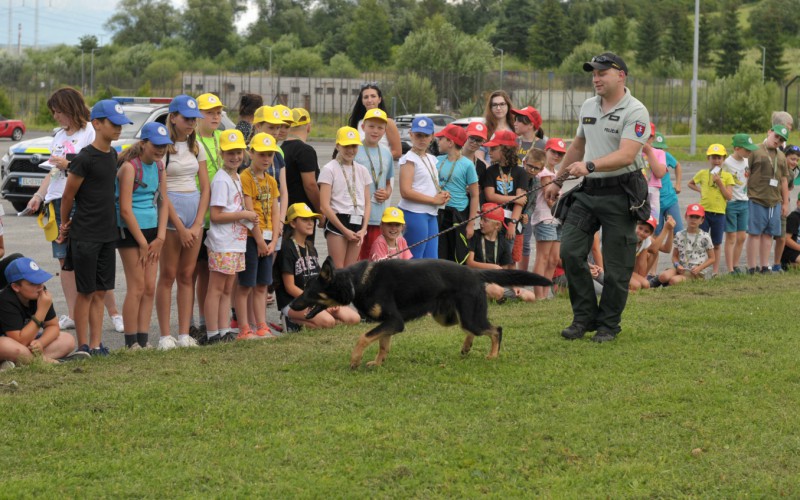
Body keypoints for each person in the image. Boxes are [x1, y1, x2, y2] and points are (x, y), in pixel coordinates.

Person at [544, 52, 650, 343]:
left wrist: (591, 165)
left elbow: (628, 154)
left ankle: (608, 325)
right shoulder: (589, 105)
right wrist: (559, 179)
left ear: (621, 76)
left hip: (621, 192)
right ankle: (584, 317)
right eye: (593, 73)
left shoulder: (636, 111)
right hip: (588, 191)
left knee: (617, 267)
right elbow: (578, 145)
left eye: (602, 73)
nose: (596, 78)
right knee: (570, 252)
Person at [26, 87, 124, 333]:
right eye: (54, 112)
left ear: (70, 108)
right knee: (65, 260)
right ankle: (72, 313)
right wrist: (39, 195)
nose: (56, 116)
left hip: (81, 200)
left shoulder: (91, 131)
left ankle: (113, 313)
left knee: (91, 260)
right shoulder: (59, 136)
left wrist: (68, 163)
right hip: (57, 199)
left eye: (59, 111)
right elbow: (53, 170)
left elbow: (93, 165)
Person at [58, 99, 132, 356]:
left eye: (121, 125)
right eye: (114, 124)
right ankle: (82, 345)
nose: (119, 129)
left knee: (101, 290)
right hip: (85, 234)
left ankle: (97, 343)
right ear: (97, 124)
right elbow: (68, 196)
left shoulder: (112, 154)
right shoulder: (84, 158)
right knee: (85, 292)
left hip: (107, 233)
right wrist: (64, 224)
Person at [155, 95, 208, 350]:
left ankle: (185, 333)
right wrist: (180, 226)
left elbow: (206, 188)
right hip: (171, 214)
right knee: (167, 275)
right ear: (173, 117)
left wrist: (197, 224)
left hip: (193, 211)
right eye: (187, 119)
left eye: (194, 119)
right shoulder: (163, 148)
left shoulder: (196, 147)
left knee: (187, 275)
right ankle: (165, 335)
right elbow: (163, 192)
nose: (191, 124)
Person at [115, 122, 170, 350]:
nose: (160, 150)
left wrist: (160, 238)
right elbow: (125, 209)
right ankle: (131, 343)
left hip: (152, 232)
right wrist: (142, 243)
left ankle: (143, 339)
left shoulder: (159, 167)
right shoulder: (130, 167)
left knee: (149, 287)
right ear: (144, 143)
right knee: (136, 287)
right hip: (130, 232)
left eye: (164, 146)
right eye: (156, 145)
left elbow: (164, 202)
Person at [203, 130, 259, 343]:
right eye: (230, 153)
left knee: (228, 288)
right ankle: (212, 333)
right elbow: (216, 215)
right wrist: (244, 214)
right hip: (222, 242)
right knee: (216, 288)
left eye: (238, 152)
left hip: (235, 242)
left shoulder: (235, 177)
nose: (235, 157)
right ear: (221, 153)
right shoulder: (221, 180)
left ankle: (224, 329)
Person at [276, 203, 361, 331]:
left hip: (314, 298)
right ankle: (290, 320)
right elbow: (290, 287)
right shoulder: (286, 248)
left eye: (312, 219)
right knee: (328, 322)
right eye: (304, 219)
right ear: (293, 223)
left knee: (354, 318)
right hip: (294, 301)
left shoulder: (310, 246)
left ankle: (317, 320)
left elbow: (319, 281)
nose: (310, 223)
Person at [0, 257, 87, 367]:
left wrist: (41, 343)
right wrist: (42, 311)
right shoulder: (6, 299)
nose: (40, 287)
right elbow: (20, 341)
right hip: (13, 343)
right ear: (16, 287)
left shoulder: (40, 293)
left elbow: (53, 326)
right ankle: (48, 362)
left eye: (40, 280)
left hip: (26, 345)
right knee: (4, 345)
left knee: (67, 340)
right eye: (33, 283)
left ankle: (17, 361)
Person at [237, 132, 281, 339]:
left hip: (268, 240)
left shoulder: (271, 180)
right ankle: (244, 327)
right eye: (261, 154)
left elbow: (274, 210)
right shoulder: (245, 177)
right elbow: (249, 211)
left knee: (263, 284)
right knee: (246, 284)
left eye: (269, 155)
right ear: (250, 153)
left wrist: (273, 241)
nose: (265, 159)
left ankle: (261, 325)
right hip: (251, 239)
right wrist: (260, 241)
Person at [193, 93, 224, 338]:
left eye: (218, 112)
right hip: (196, 216)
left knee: (209, 270)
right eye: (210, 112)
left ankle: (206, 320)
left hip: (219, 218)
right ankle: (191, 321)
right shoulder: (191, 141)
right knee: (191, 271)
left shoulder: (223, 139)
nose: (215, 116)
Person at [319, 126, 371, 268]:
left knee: (350, 271)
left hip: (358, 223)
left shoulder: (363, 170)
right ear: (338, 146)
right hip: (338, 222)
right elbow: (324, 205)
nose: (350, 150)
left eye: (354, 146)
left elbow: (367, 203)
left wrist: (364, 228)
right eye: (346, 145)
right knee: (338, 269)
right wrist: (344, 230)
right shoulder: (329, 169)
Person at [398, 116, 448, 259]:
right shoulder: (409, 159)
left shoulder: (431, 158)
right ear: (411, 134)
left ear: (432, 136)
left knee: (432, 259)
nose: (422, 139)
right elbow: (405, 191)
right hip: (414, 212)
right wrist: (433, 200)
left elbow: (427, 185)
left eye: (426, 135)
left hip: (430, 213)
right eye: (418, 135)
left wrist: (441, 194)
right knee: (415, 259)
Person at [466, 203, 536, 302]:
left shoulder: (503, 241)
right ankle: (495, 298)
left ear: (497, 225)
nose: (481, 223)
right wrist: (493, 267)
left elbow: (505, 269)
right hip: (478, 280)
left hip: (496, 283)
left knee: (530, 296)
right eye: (481, 219)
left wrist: (514, 285)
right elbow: (470, 263)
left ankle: (500, 298)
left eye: (485, 220)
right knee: (496, 290)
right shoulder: (475, 237)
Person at [746, 125, 790, 274]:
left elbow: (784, 180)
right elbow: (747, 172)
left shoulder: (781, 156)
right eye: (776, 136)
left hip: (774, 200)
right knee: (754, 233)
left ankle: (764, 266)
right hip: (757, 197)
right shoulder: (755, 150)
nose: (777, 141)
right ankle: (752, 267)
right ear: (769, 132)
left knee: (768, 234)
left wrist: (785, 202)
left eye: (781, 139)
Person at [688, 144, 734, 277]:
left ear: (724, 158)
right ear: (709, 158)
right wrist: (700, 190)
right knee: (699, 241)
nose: (717, 160)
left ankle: (714, 271)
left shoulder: (727, 176)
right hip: (703, 213)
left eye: (719, 157)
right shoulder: (702, 173)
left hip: (719, 213)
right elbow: (690, 183)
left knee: (716, 243)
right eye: (714, 157)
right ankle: (698, 269)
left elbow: (729, 196)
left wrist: (720, 183)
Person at [435, 123, 478, 263]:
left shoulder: (467, 165)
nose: (438, 141)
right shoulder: (436, 160)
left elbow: (474, 195)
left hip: (458, 215)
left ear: (450, 142)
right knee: (440, 252)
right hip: (439, 212)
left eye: (441, 138)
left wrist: (471, 224)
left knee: (456, 255)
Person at [483, 129, 528, 262]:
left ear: (506, 149)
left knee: (509, 260)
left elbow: (521, 202)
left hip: (511, 222)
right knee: (492, 258)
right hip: (492, 220)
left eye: (493, 148)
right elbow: (490, 196)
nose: (489, 152)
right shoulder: (491, 171)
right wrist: (514, 198)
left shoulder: (521, 172)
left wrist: (513, 223)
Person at [355, 108, 394, 261]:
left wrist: (387, 193)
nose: (375, 131)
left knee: (376, 260)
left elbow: (389, 184)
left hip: (378, 218)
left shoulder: (386, 153)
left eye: (380, 128)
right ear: (363, 127)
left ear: (385, 131)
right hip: (357, 216)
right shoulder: (354, 149)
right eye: (371, 126)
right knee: (357, 261)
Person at [531, 139, 564, 299]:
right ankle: (539, 296)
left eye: (561, 154)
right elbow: (550, 199)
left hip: (557, 220)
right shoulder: (544, 173)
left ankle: (545, 293)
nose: (557, 156)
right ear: (546, 151)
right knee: (542, 258)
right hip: (545, 218)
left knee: (554, 259)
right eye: (554, 152)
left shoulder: (557, 174)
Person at [282, 107, 322, 236]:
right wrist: (320, 211)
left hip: (285, 212)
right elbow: (310, 185)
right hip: (303, 215)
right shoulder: (305, 151)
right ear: (308, 127)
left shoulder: (280, 149)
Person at [722, 134, 758, 274]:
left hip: (744, 201)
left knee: (742, 236)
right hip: (732, 203)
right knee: (731, 237)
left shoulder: (747, 161)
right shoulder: (727, 163)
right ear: (737, 148)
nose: (749, 152)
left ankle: (736, 265)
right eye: (746, 149)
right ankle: (730, 268)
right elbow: (720, 177)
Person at [657, 204, 714, 286]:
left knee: (674, 280)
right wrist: (677, 265)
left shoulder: (705, 236)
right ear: (686, 217)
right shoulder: (679, 234)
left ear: (702, 220)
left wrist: (700, 268)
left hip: (695, 272)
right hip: (681, 269)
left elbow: (712, 258)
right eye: (691, 216)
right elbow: (674, 256)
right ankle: (658, 283)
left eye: (697, 217)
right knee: (663, 276)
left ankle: (670, 285)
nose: (693, 220)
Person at [347, 83, 402, 160]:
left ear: (379, 99)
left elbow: (397, 152)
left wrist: (375, 160)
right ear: (362, 101)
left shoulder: (388, 122)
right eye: (366, 97)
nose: (369, 100)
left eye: (373, 96)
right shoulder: (358, 123)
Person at [629, 215, 675, 291]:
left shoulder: (646, 239)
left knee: (646, 285)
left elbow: (667, 249)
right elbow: (654, 249)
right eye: (640, 228)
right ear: (636, 225)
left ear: (651, 233)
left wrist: (670, 229)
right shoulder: (630, 236)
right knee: (636, 286)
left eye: (646, 231)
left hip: (629, 270)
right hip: (619, 268)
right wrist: (665, 228)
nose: (641, 232)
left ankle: (640, 279)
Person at [773, 144, 800, 271]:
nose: (794, 162)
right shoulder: (778, 169)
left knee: (781, 237)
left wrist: (786, 203)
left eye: (797, 160)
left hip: (784, 205)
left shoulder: (791, 173)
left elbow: (789, 190)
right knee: (770, 236)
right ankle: (773, 264)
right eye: (792, 159)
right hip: (773, 204)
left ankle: (778, 265)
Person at [518, 148, 546, 273]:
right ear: (524, 162)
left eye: (537, 168)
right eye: (530, 166)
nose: (532, 170)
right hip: (510, 215)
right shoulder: (517, 175)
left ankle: (522, 277)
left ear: (541, 169)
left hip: (524, 218)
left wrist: (527, 215)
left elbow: (533, 203)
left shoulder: (536, 181)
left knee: (525, 245)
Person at [476, 90, 515, 163]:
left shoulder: (515, 127)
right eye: (494, 105)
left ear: (508, 105)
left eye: (502, 104)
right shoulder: (484, 128)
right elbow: (479, 157)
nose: (498, 108)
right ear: (490, 108)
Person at [641, 123, 667, 222]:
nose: (646, 138)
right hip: (636, 189)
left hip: (652, 189)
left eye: (649, 136)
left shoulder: (659, 153)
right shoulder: (634, 152)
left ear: (653, 138)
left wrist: (649, 152)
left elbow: (660, 173)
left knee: (652, 221)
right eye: (644, 135)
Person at [462, 121, 489, 205]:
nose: (474, 142)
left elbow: (481, 190)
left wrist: (475, 190)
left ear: (482, 142)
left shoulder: (481, 166)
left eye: (478, 140)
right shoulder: (452, 157)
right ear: (466, 136)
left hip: (470, 207)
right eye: (472, 138)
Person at [780, 192, 800, 267]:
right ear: (798, 203)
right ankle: (787, 265)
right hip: (791, 251)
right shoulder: (794, 217)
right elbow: (786, 239)